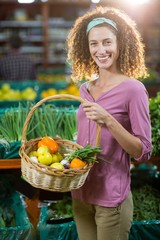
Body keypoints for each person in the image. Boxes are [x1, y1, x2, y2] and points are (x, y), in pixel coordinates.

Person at [67, 6, 152, 240]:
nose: (100, 50)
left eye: (107, 42)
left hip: (111, 198)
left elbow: (143, 152)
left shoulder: (133, 90)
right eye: (94, 44)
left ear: (120, 44)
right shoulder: (85, 89)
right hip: (81, 193)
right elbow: (86, 137)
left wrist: (109, 120)